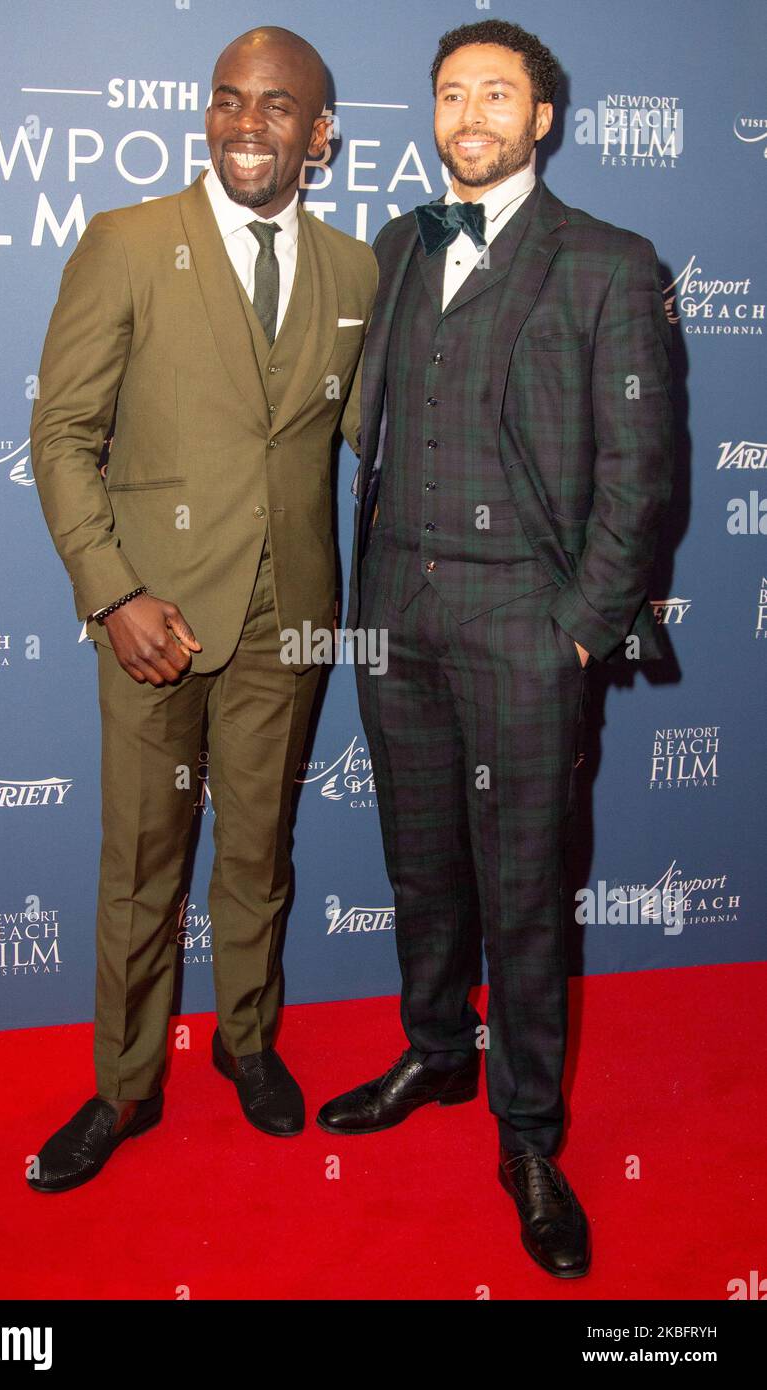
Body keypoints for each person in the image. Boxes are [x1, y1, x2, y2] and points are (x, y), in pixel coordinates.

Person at [318, 19, 673, 1279]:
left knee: (522, 892)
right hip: (395, 615)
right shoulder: (399, 245)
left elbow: (641, 479)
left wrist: (575, 634)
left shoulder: (608, 264)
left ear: (541, 119)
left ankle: (527, 1132)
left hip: (525, 627)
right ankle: (432, 1046)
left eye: (496, 95)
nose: (469, 114)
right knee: (420, 861)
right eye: (450, 93)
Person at [27, 26, 377, 1191]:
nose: (246, 124)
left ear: (317, 134)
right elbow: (63, 435)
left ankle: (247, 1043)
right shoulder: (128, 243)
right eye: (228, 100)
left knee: (259, 854)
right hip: (155, 618)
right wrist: (111, 590)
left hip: (292, 619)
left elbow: (368, 441)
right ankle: (122, 1085)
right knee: (140, 859)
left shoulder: (355, 270)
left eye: (277, 107)